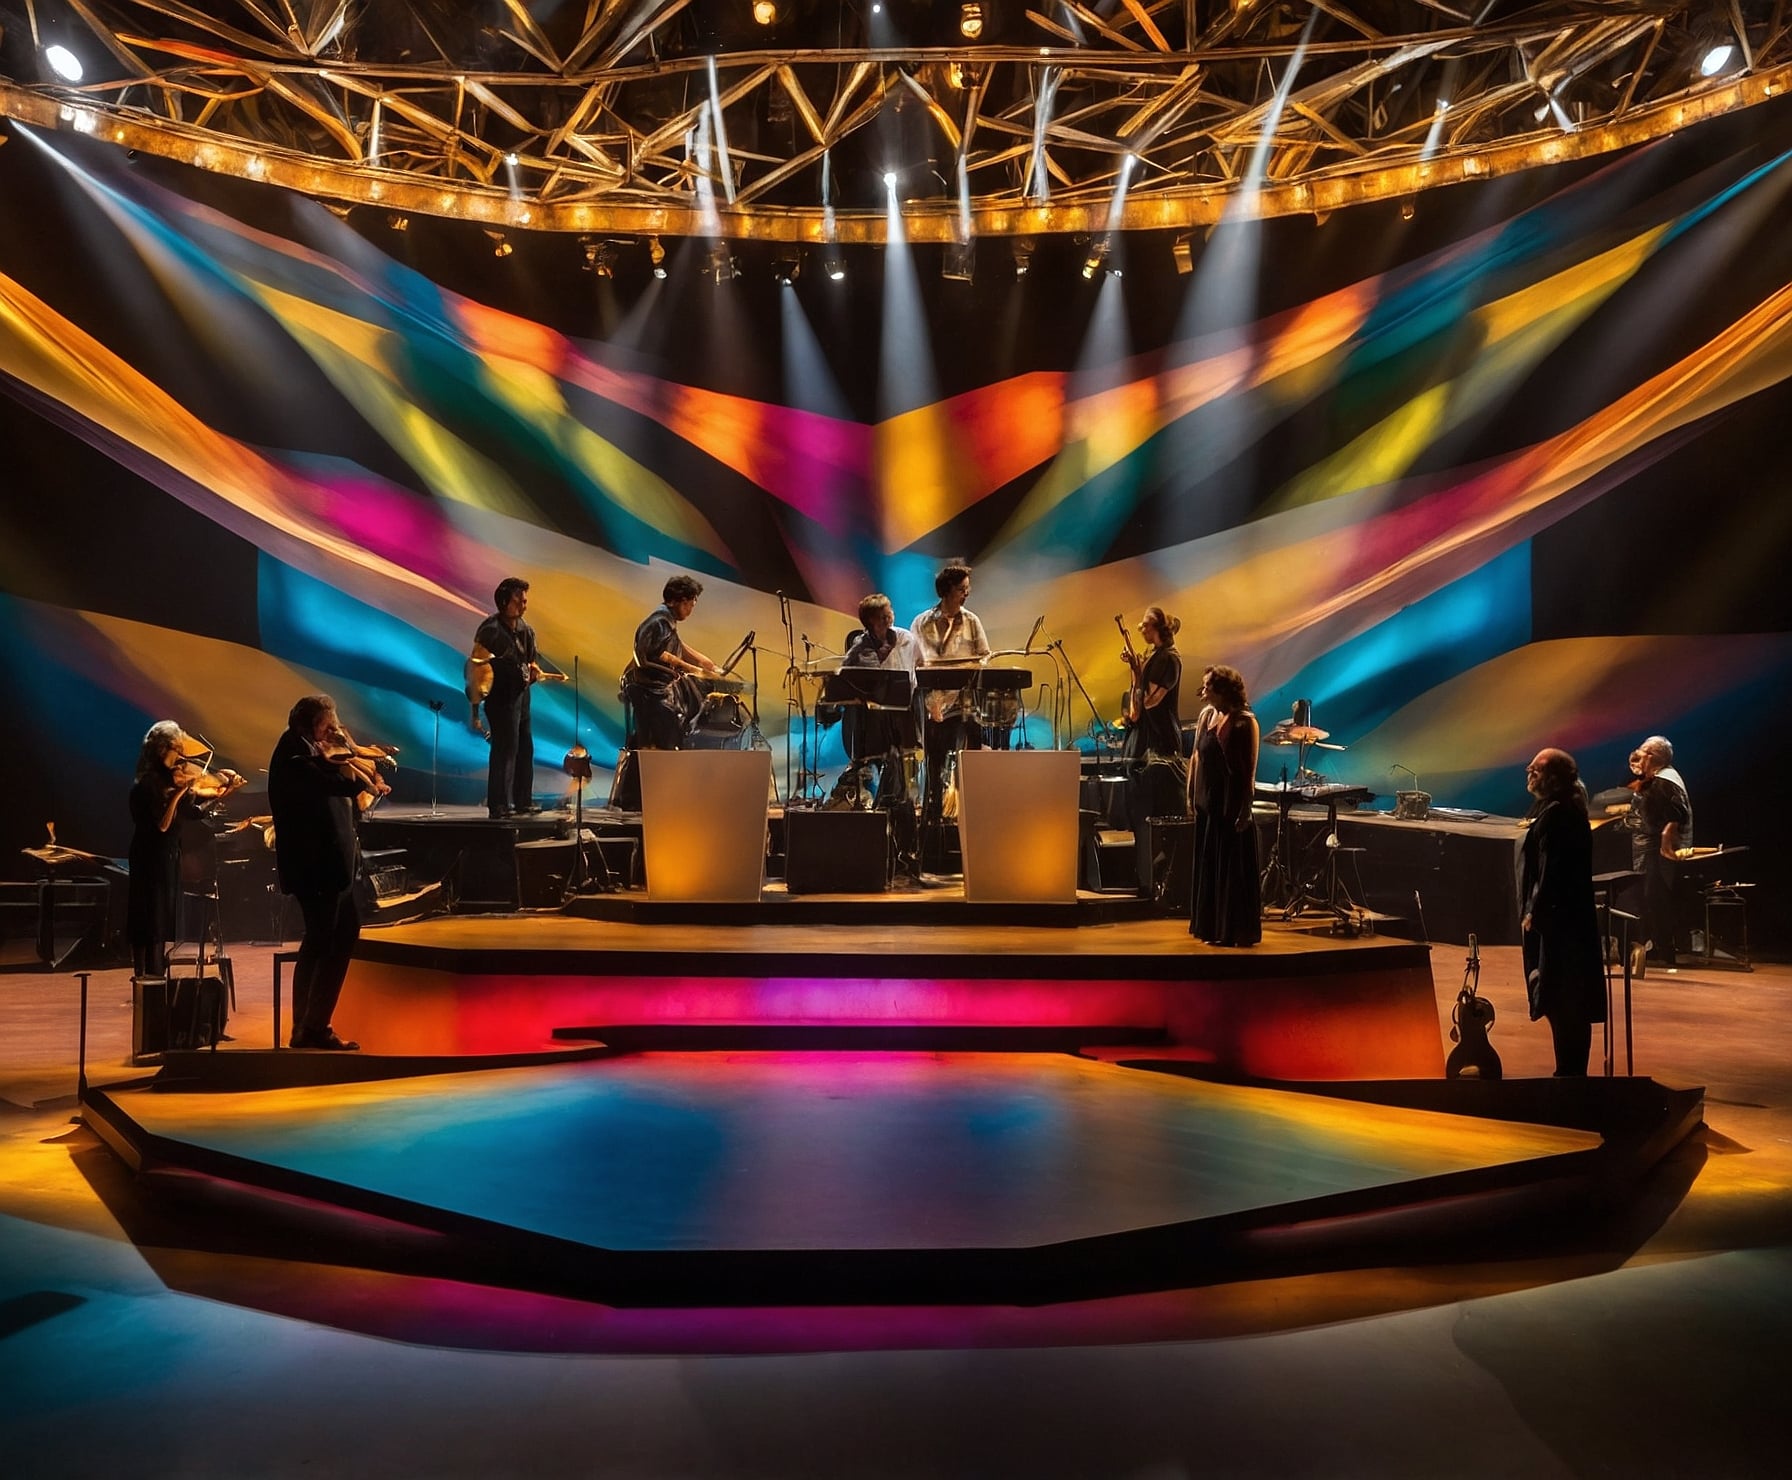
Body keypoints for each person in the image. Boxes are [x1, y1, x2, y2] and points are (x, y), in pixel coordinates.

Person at [269, 695, 378, 1050]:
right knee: (321, 940)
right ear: (309, 726)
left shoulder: (310, 751)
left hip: (334, 870)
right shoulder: (294, 757)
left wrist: (347, 755)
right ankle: (309, 1028)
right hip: (316, 871)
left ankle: (311, 1025)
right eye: (327, 726)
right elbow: (338, 783)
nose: (333, 732)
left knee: (338, 935)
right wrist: (350, 754)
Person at [126, 722, 245, 978]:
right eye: (177, 750)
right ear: (162, 749)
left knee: (161, 918)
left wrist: (225, 792)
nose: (182, 758)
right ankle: (143, 975)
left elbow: (194, 812)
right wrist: (180, 792)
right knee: (147, 915)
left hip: (168, 855)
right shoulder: (148, 785)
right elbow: (161, 825)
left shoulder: (170, 780)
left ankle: (156, 972)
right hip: (148, 856)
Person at [1520, 749, 1608, 1075]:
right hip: (1563, 920)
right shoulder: (1559, 809)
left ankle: (1570, 1075)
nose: (1529, 770)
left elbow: (1554, 869)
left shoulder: (1561, 814)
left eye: (1538, 768)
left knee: (1565, 997)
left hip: (1562, 924)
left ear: (1555, 778)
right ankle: (1569, 1072)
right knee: (1561, 997)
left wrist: (1536, 912)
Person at [837, 594, 925, 880]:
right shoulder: (859, 648)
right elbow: (848, 682)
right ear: (870, 621)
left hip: (903, 721)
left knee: (903, 784)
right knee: (891, 784)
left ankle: (905, 850)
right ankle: (889, 848)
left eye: (890, 613)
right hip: (873, 726)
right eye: (882, 616)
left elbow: (920, 668)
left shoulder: (907, 638)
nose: (889, 618)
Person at [911, 562, 990, 847]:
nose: (966, 594)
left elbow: (985, 655)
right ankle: (932, 823)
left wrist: (970, 670)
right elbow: (915, 661)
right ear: (946, 591)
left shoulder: (972, 621)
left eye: (967, 589)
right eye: (961, 589)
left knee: (971, 762)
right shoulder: (922, 622)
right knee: (935, 763)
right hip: (934, 702)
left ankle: (974, 817)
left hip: (966, 703)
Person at [1187, 665, 1261, 947]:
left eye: (1208, 686)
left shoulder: (1244, 722)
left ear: (1222, 690)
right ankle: (1211, 928)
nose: (1203, 691)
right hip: (1208, 801)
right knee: (1210, 865)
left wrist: (1245, 810)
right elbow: (1196, 755)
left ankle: (1232, 931)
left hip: (1230, 803)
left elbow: (1249, 771)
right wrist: (1190, 794)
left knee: (1230, 868)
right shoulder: (1207, 715)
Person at [470, 577, 544, 820]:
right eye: (518, 599)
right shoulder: (490, 631)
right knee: (504, 750)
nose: (524, 604)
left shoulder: (526, 630)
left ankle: (523, 801)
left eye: (525, 599)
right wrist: (475, 707)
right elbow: (476, 669)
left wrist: (534, 670)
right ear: (503, 601)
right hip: (500, 698)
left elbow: (531, 660)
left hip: (522, 697)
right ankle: (499, 803)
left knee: (525, 748)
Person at [1618, 735, 1692, 973]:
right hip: (1649, 849)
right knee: (1650, 898)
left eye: (1643, 750)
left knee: (1654, 898)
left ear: (1653, 756)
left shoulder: (1664, 781)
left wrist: (1666, 841)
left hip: (1656, 852)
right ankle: (1657, 949)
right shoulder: (1656, 779)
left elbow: (1677, 814)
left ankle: (1662, 951)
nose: (1637, 753)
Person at [626, 574, 724, 753]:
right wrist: (692, 668)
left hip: (658, 691)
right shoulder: (659, 622)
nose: (690, 610)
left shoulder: (665, 621)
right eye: (691, 605)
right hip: (653, 693)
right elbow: (656, 654)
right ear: (681, 601)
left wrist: (704, 662)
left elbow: (680, 646)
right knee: (672, 734)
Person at [1120, 606, 1188, 836]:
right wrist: (1135, 671)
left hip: (1160, 742)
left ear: (1159, 628)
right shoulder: (1154, 656)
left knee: (1160, 806)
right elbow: (1136, 711)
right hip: (1144, 741)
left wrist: (1138, 673)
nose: (1142, 629)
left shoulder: (1169, 658)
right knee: (1141, 805)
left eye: (1146, 624)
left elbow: (1150, 701)